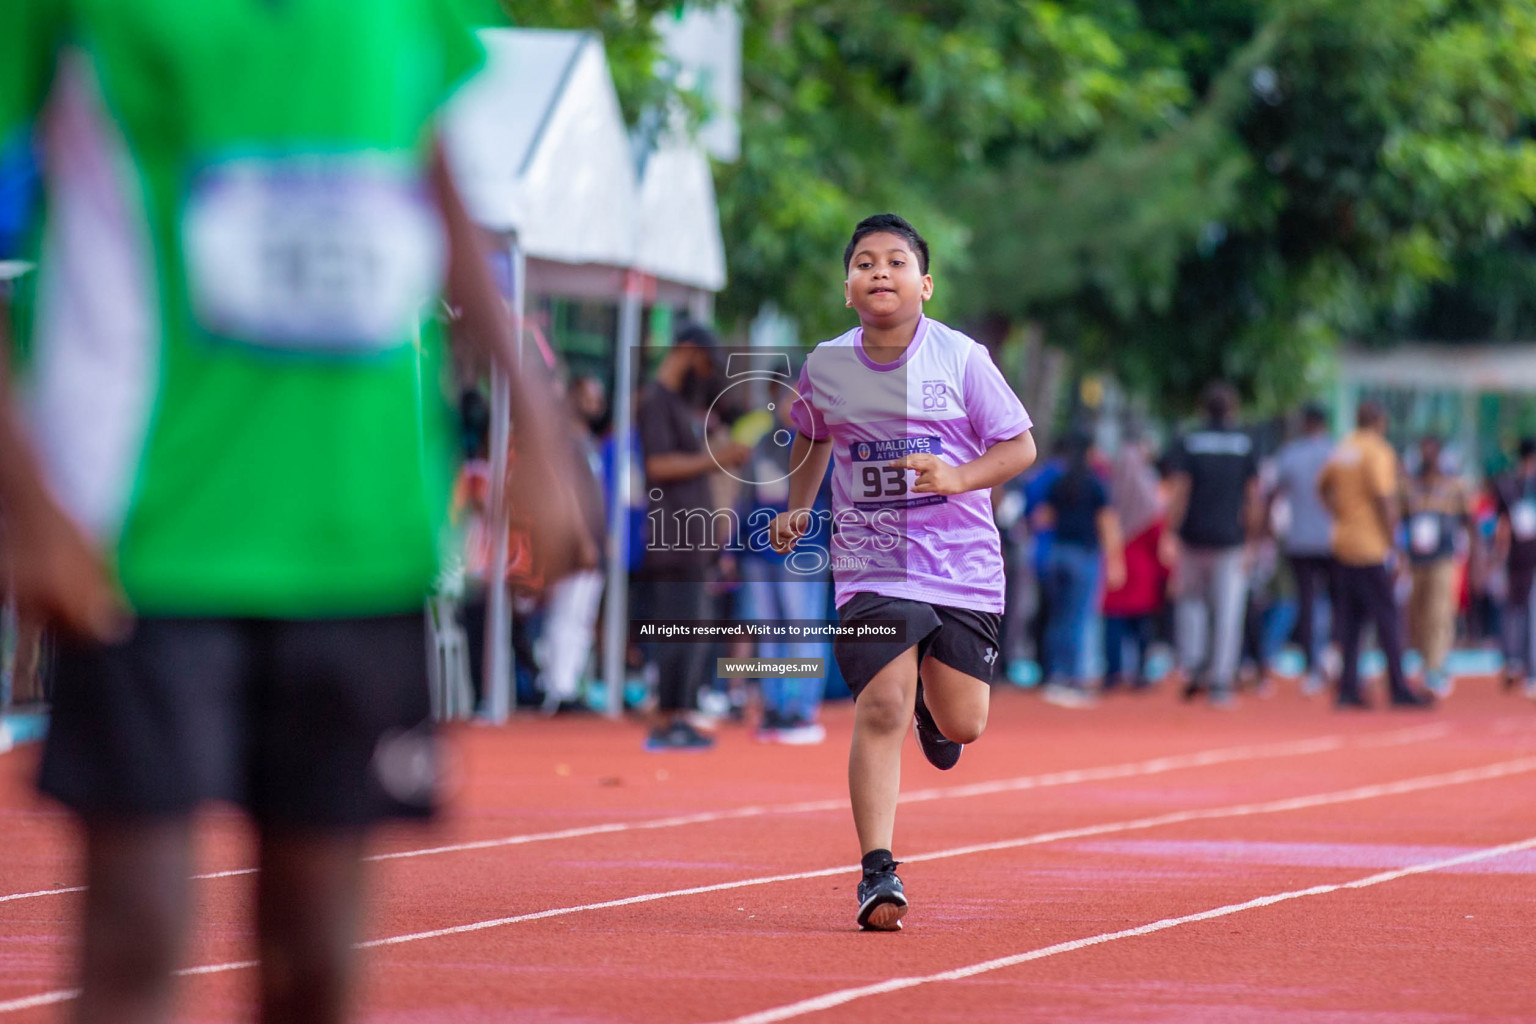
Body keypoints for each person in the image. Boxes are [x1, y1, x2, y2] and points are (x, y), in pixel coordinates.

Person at [0, 5, 594, 1023]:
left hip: (357, 526)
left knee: (317, 955)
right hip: (145, 529)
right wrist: (26, 496)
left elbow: (430, 174)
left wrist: (535, 424)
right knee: (137, 930)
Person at [770, 213, 1036, 930]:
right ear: (847, 286)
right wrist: (799, 507)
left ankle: (934, 709)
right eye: (864, 262)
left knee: (965, 722)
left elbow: (1019, 449)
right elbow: (811, 434)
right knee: (880, 705)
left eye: (894, 261)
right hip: (874, 562)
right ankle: (877, 871)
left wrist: (957, 476)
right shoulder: (829, 364)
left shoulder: (963, 358)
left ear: (925, 284)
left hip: (963, 566)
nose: (878, 271)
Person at [635, 324, 749, 751]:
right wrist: (715, 459)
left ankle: (679, 715)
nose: (705, 374)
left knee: (693, 631)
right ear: (687, 351)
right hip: (673, 538)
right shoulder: (656, 400)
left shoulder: (677, 402)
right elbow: (658, 465)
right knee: (678, 631)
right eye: (704, 363)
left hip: (692, 541)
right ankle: (667, 719)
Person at [1317, 403, 1435, 709]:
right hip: (1370, 546)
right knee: (1388, 618)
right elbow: (1385, 499)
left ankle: (1347, 689)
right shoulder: (1378, 451)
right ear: (1379, 422)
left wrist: (1340, 513)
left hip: (1342, 542)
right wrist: (1395, 544)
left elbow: (1322, 486)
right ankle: (1398, 687)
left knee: (1351, 620)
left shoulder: (1343, 448)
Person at [738, 380, 830, 744]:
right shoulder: (763, 442)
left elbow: (827, 495)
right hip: (760, 551)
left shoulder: (818, 441)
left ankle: (801, 708)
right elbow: (746, 499)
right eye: (783, 395)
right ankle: (775, 705)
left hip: (803, 552)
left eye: (796, 396)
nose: (788, 402)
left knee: (802, 627)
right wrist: (735, 548)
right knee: (771, 630)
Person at [1162, 382, 1260, 708]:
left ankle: (1193, 667)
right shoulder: (1245, 444)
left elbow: (1179, 490)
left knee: (1191, 604)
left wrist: (1170, 532)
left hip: (1193, 537)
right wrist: (1253, 541)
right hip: (1230, 540)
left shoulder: (1190, 441)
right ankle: (1219, 682)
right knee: (1228, 612)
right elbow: (1252, 498)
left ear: (1203, 408)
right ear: (1232, 410)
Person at [1038, 432, 1125, 706]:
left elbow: (1043, 518)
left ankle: (1054, 675)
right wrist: (1115, 561)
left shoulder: (1058, 482)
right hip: (1084, 556)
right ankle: (1075, 679)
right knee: (1079, 618)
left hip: (1057, 554)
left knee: (1058, 616)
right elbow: (1107, 524)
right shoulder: (1095, 485)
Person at [1270, 403, 1337, 696]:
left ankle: (1312, 666)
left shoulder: (1291, 454)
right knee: (1339, 601)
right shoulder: (1336, 453)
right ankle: (1334, 657)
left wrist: (1265, 533)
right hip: (1334, 539)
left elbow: (1271, 493)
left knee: (1307, 602)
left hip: (1299, 539)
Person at [1401, 435, 1470, 698]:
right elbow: (1400, 520)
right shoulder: (1410, 486)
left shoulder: (1455, 486)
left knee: (1439, 611)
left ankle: (1435, 667)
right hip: (1417, 559)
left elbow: (1469, 521)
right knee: (1417, 612)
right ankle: (1424, 661)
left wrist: (1476, 560)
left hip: (1443, 557)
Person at [1101, 422, 1167, 692]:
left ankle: (1112, 673)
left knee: (1113, 624)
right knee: (1141, 626)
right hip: (1143, 571)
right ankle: (1140, 672)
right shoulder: (1150, 504)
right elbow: (1159, 538)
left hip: (1116, 567)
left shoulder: (1110, 494)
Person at [1494, 437, 1536, 697]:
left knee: (1525, 609)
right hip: (1518, 558)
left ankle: (1525, 666)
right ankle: (1515, 662)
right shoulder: (1509, 486)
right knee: (1516, 609)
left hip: (1525, 557)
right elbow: (1504, 525)